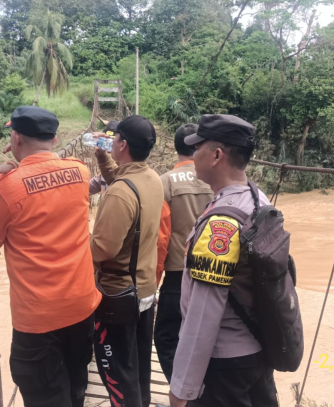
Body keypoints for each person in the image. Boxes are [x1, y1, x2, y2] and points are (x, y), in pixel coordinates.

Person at [0, 106, 101, 407]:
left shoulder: (8, 187)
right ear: (54, 139)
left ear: (15, 138)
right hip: (82, 307)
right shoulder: (80, 171)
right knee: (75, 388)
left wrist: (0, 181)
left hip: (38, 320)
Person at [169, 114, 278, 407]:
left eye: (197, 147)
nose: (192, 155)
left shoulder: (223, 223)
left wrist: (182, 388)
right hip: (257, 352)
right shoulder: (258, 200)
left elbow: (204, 314)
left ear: (216, 155)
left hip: (225, 368)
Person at [90, 115, 163, 407]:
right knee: (138, 365)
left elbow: (102, 249)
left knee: (118, 374)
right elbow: (123, 184)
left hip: (117, 298)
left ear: (121, 144)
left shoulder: (120, 193)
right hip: (143, 292)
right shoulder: (152, 178)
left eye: (114, 138)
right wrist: (101, 157)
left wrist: (70, 237)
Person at [154, 123, 213, 383]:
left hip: (178, 275)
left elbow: (160, 239)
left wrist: (152, 283)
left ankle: (181, 392)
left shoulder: (164, 182)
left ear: (176, 147)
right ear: (199, 146)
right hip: (215, 273)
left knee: (166, 337)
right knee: (208, 336)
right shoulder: (216, 178)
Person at [89, 121, 120, 195]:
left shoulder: (126, 171)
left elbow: (116, 180)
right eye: (107, 141)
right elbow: (85, 189)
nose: (109, 146)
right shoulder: (103, 174)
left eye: (113, 141)